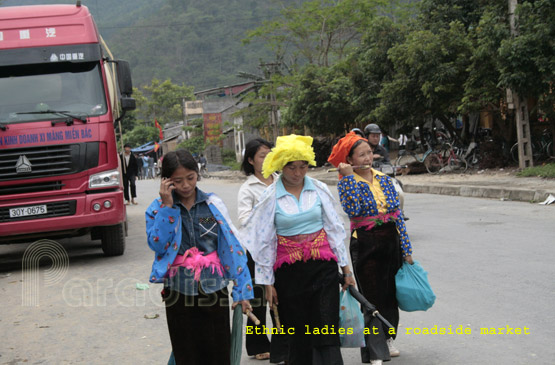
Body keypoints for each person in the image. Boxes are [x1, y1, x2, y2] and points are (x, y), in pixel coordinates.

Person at [242, 135, 356, 365]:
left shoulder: (320, 189)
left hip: (323, 269)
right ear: (280, 166)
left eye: (303, 167)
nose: (297, 173)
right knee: (297, 332)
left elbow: (334, 230)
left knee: (326, 328)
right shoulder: (270, 195)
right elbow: (263, 242)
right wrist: (267, 283)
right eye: (291, 167)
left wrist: (346, 270)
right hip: (288, 274)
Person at [145, 149, 254, 365]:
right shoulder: (157, 209)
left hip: (214, 289)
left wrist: (242, 290)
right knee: (186, 352)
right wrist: (168, 207)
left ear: (198, 174)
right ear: (166, 181)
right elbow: (157, 244)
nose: (185, 185)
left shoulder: (212, 205)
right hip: (178, 291)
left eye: (190, 178)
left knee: (218, 350)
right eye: (178, 180)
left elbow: (231, 247)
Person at [328, 132, 415, 365]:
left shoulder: (385, 179)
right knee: (370, 295)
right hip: (365, 242)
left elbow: (396, 215)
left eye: (369, 153)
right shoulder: (347, 182)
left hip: (390, 241)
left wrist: (406, 249)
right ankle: (373, 350)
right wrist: (347, 178)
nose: (368, 158)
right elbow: (354, 209)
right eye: (361, 154)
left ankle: (388, 338)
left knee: (390, 293)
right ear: (349, 159)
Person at [237, 138, 286, 362]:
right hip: (256, 252)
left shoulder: (281, 180)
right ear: (250, 160)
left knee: (280, 297)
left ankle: (283, 342)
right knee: (257, 300)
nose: (266, 159)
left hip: (282, 248)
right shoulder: (248, 188)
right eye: (261, 156)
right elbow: (244, 220)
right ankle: (257, 345)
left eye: (269, 154)